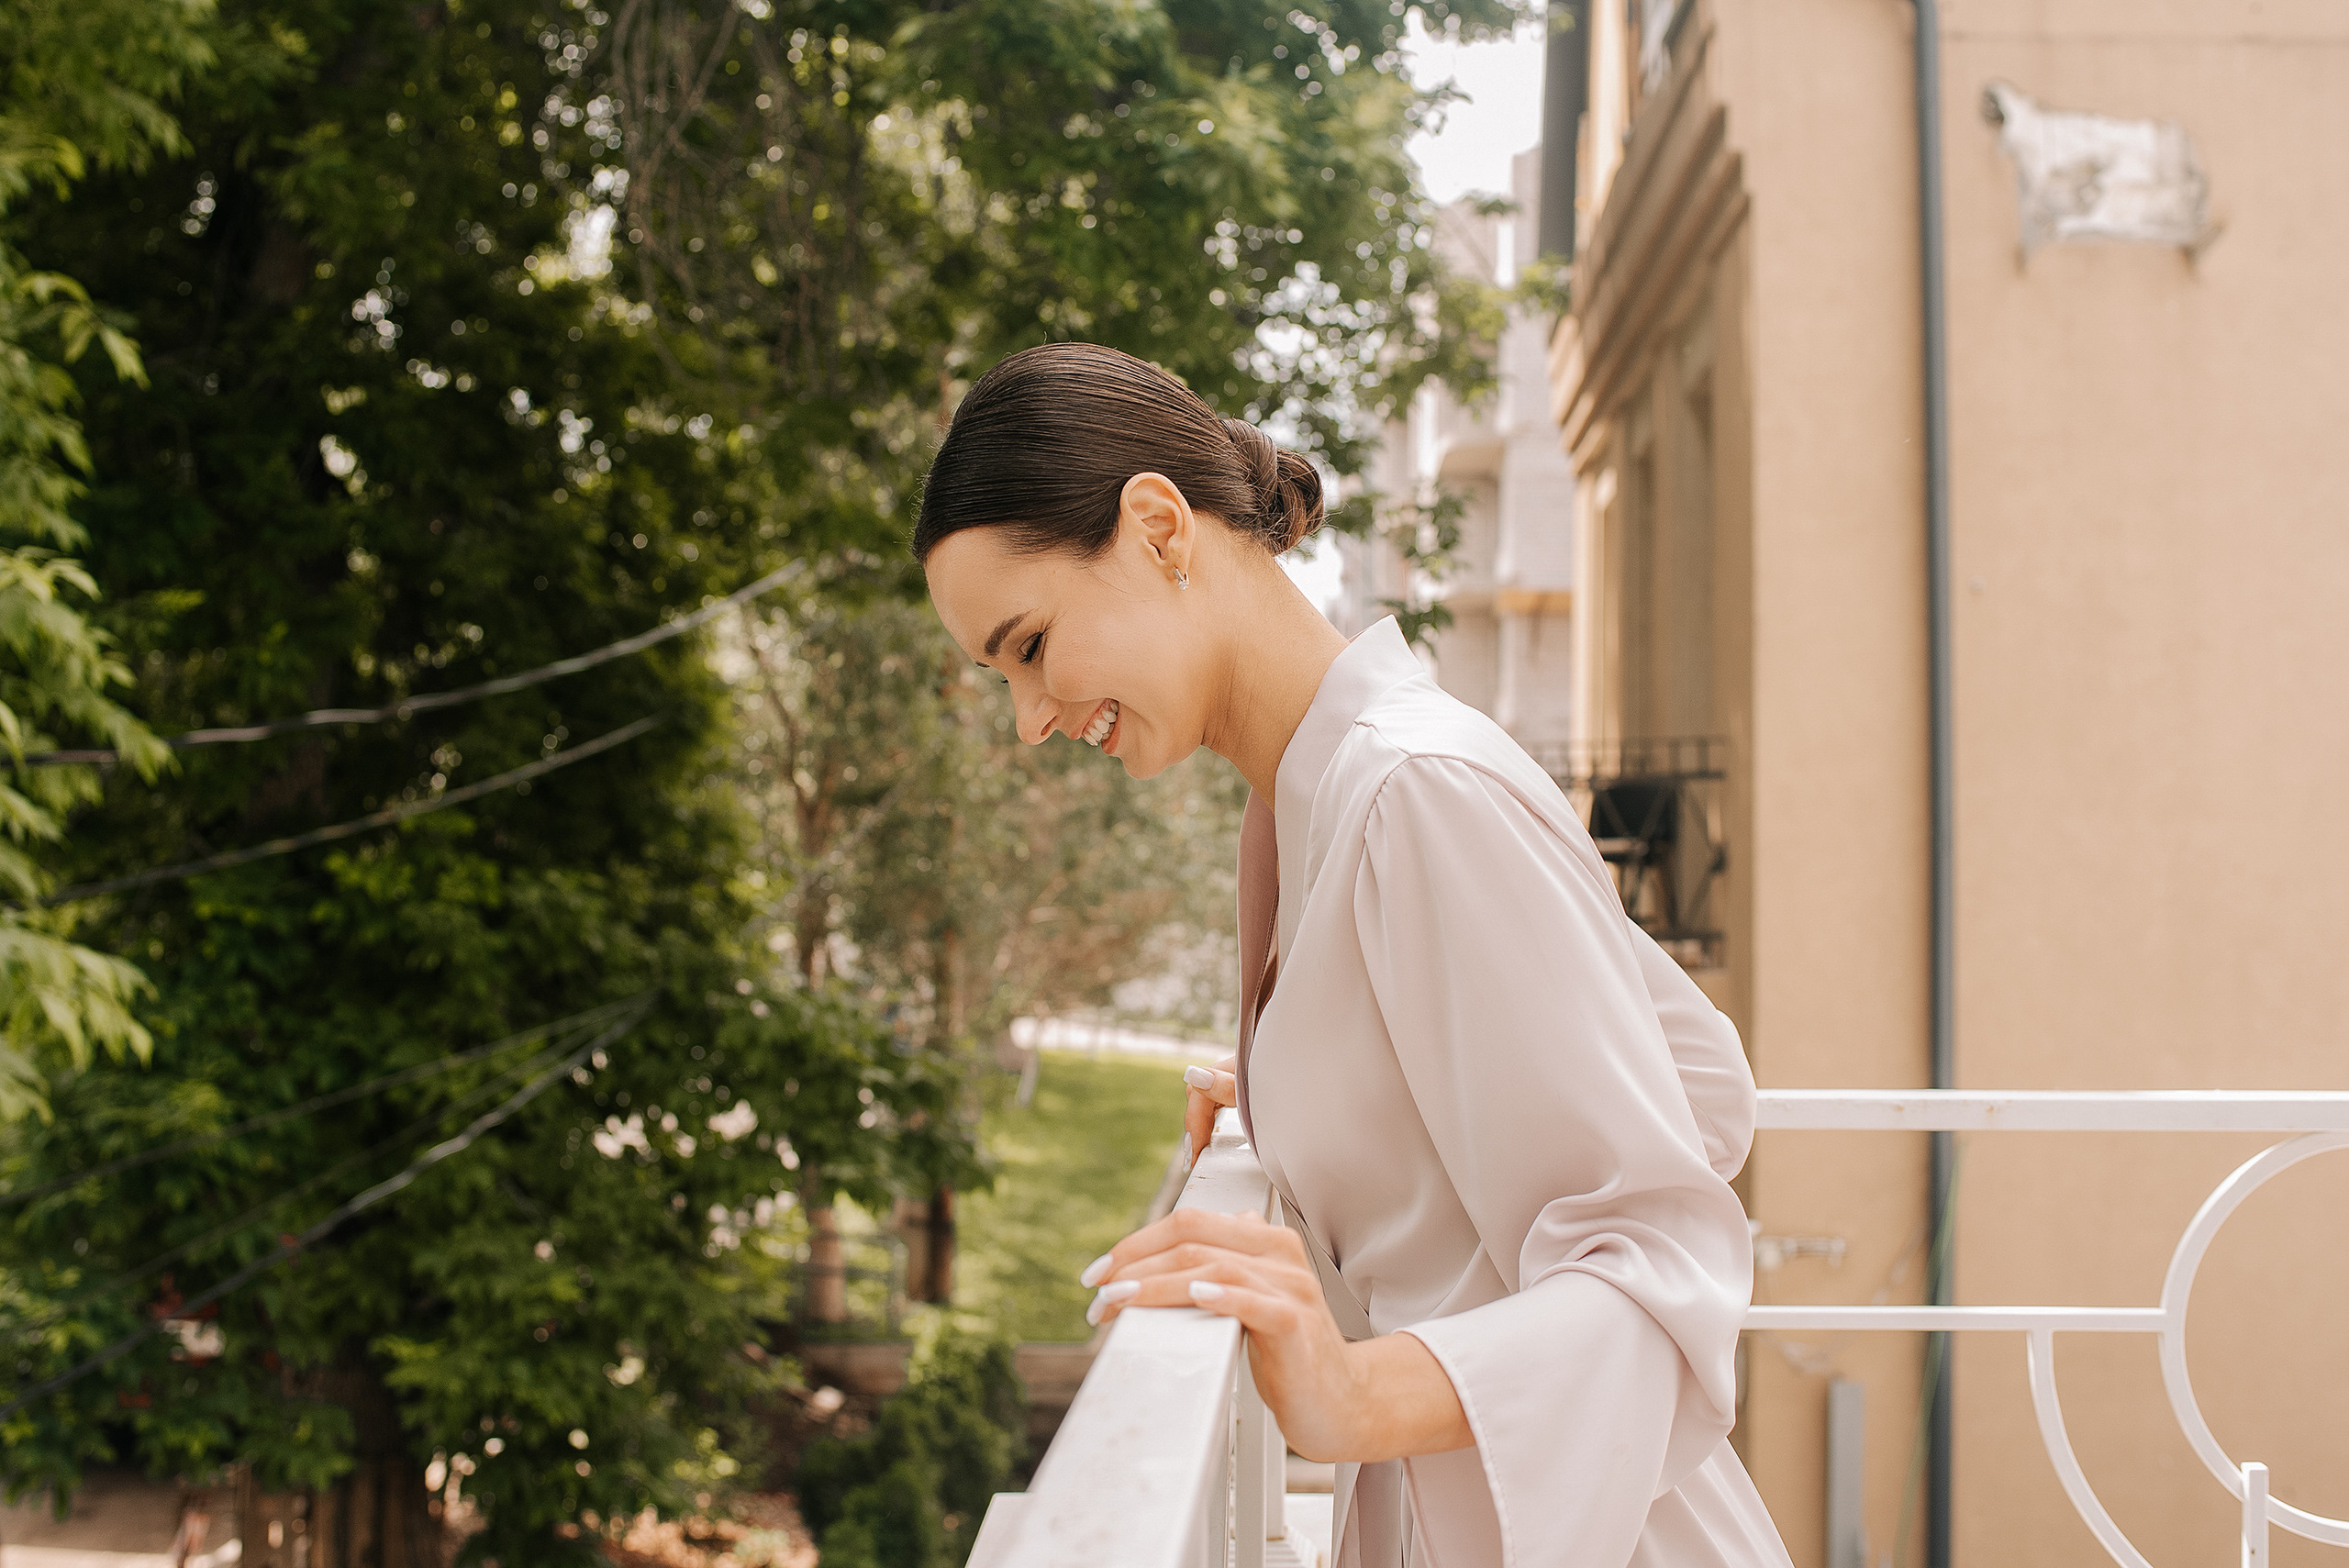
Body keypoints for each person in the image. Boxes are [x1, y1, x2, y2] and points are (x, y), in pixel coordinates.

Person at [914, 341, 1791, 1568]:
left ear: (1161, 528)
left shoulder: (1412, 788)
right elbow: (1700, 1079)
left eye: (1029, 643)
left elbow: (1663, 1263)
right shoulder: (1305, 803)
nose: (1029, 718)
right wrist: (1325, 1095)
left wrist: (1349, 1392)